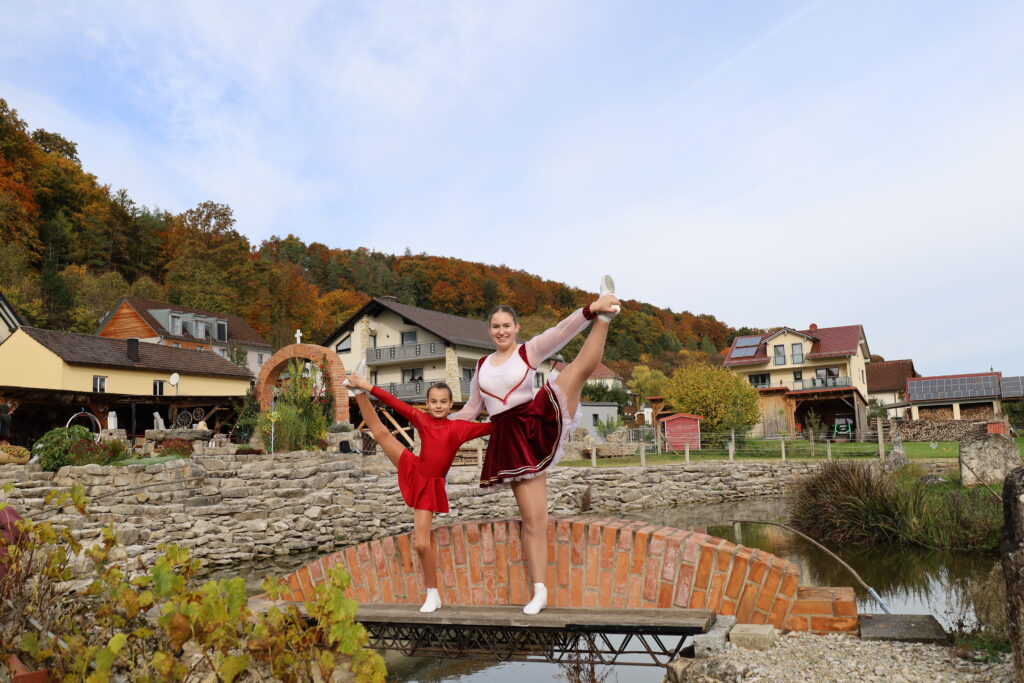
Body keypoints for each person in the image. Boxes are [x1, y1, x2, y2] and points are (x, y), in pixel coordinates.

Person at [450, 276, 620, 614]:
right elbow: (471, 410)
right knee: (533, 519)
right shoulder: (481, 367)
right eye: (495, 326)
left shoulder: (528, 351)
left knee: (576, 371)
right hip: (508, 439)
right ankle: (539, 590)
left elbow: (561, 331)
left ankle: (604, 317)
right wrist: (437, 424)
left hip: (535, 421)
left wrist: (591, 310)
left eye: (506, 325)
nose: (501, 331)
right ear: (489, 330)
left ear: (516, 327)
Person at [344, 364, 491, 613]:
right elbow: (393, 401)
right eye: (434, 401)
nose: (438, 406)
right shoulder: (423, 420)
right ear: (427, 403)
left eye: (443, 402)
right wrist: (365, 386)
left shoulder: (459, 429)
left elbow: (495, 426)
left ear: (451, 404)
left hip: (429, 485)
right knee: (380, 432)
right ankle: (356, 391)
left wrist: (520, 410)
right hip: (413, 466)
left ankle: (433, 594)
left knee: (421, 544)